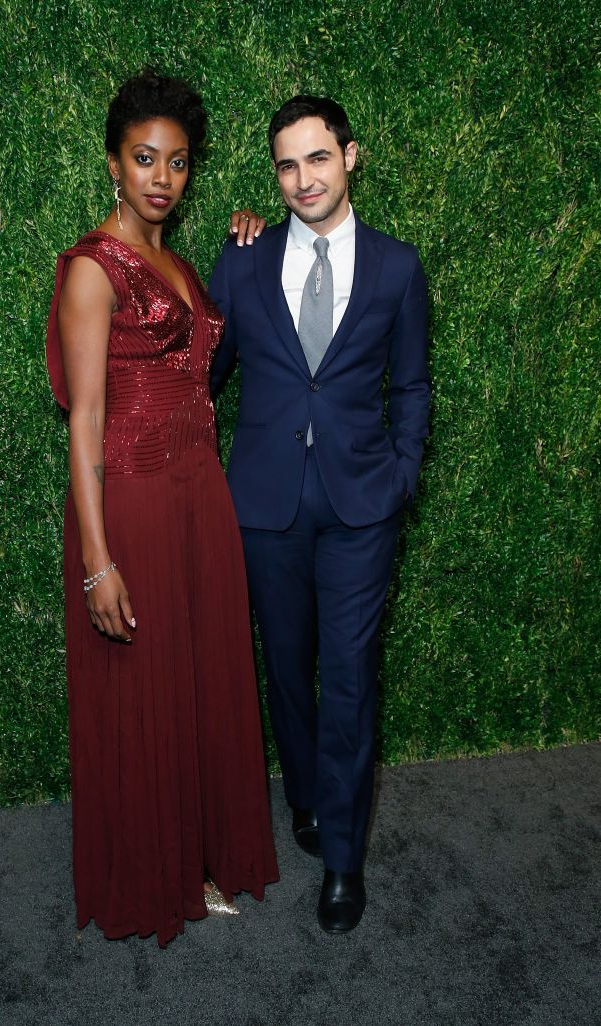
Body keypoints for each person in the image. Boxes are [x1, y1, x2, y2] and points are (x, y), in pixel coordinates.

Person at [45, 70, 278, 948]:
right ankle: (154, 874)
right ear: (113, 164)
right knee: (144, 686)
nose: (160, 178)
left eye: (177, 163)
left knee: (200, 676)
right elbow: (87, 423)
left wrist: (244, 245)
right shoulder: (91, 269)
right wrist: (97, 560)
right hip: (134, 502)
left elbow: (199, 366)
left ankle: (203, 854)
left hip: (199, 496)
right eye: (145, 159)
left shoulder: (179, 263)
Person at [209, 95, 430, 934]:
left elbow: (411, 384)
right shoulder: (241, 262)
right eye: (287, 165)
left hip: (360, 510)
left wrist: (401, 475)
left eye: (318, 159)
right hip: (263, 507)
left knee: (348, 676)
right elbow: (207, 378)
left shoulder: (397, 267)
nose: (303, 179)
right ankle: (304, 798)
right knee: (286, 671)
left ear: (351, 157)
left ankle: (343, 858)